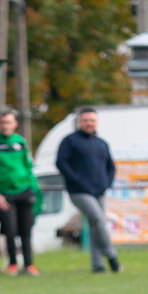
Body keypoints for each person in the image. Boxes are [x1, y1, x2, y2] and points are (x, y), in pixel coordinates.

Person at [56, 107, 121, 273]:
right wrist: (76, 180)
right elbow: (61, 163)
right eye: (85, 120)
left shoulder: (101, 143)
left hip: (99, 190)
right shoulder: (69, 141)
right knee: (98, 219)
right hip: (79, 191)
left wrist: (107, 182)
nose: (88, 123)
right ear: (79, 122)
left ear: (96, 122)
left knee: (94, 225)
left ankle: (97, 265)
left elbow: (110, 166)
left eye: (92, 120)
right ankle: (111, 256)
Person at [0, 108, 41, 276]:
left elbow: (28, 165)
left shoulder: (20, 142)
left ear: (15, 124)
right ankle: (12, 264)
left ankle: (29, 265)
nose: (5, 126)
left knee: (26, 230)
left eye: (9, 122)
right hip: (4, 193)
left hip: (24, 190)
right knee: (10, 230)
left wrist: (32, 188)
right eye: (3, 122)